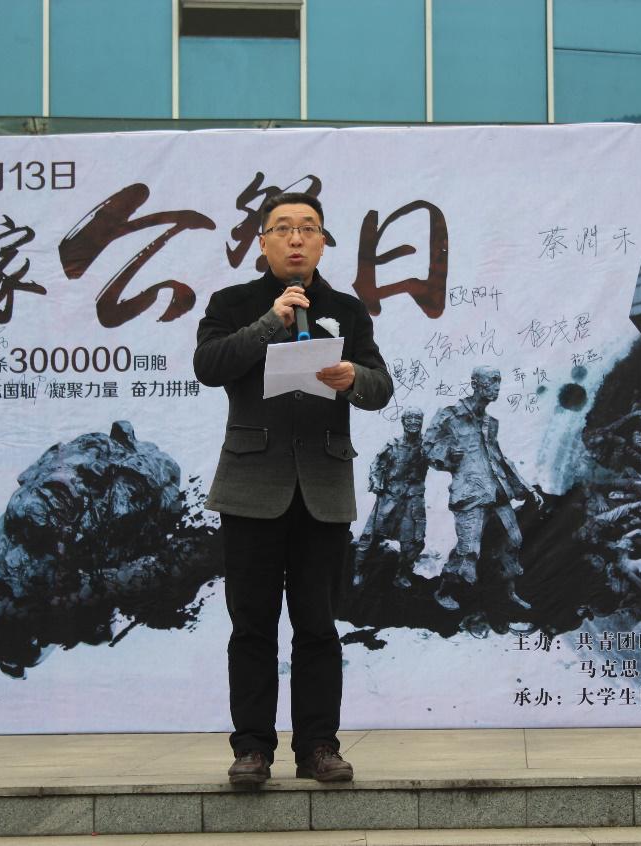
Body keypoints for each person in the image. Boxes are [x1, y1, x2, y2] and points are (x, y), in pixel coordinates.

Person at [193, 192, 392, 786]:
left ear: (324, 241)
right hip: (251, 486)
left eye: (308, 228)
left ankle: (319, 747)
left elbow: (381, 385)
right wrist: (269, 323)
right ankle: (253, 749)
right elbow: (208, 365)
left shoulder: (347, 310)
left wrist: (353, 378)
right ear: (263, 242)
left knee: (318, 625)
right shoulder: (231, 303)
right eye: (283, 228)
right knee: (252, 625)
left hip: (323, 488)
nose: (296, 238)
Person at [423, 365, 542, 612]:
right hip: (470, 495)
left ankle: (510, 592)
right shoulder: (450, 415)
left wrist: (527, 488)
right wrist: (448, 454)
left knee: (514, 540)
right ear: (475, 384)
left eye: (499, 381)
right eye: (492, 381)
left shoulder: (490, 422)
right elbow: (427, 448)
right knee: (468, 551)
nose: (497, 387)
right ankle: (444, 591)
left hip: (497, 491)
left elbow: (500, 457)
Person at [351, 407, 427, 589]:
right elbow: (376, 465)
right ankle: (358, 570)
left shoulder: (427, 447)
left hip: (413, 500)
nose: (414, 422)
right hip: (390, 497)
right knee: (370, 536)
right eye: (410, 418)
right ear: (403, 422)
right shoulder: (393, 445)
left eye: (417, 419)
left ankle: (402, 574)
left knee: (415, 541)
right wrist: (377, 482)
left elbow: (442, 459)